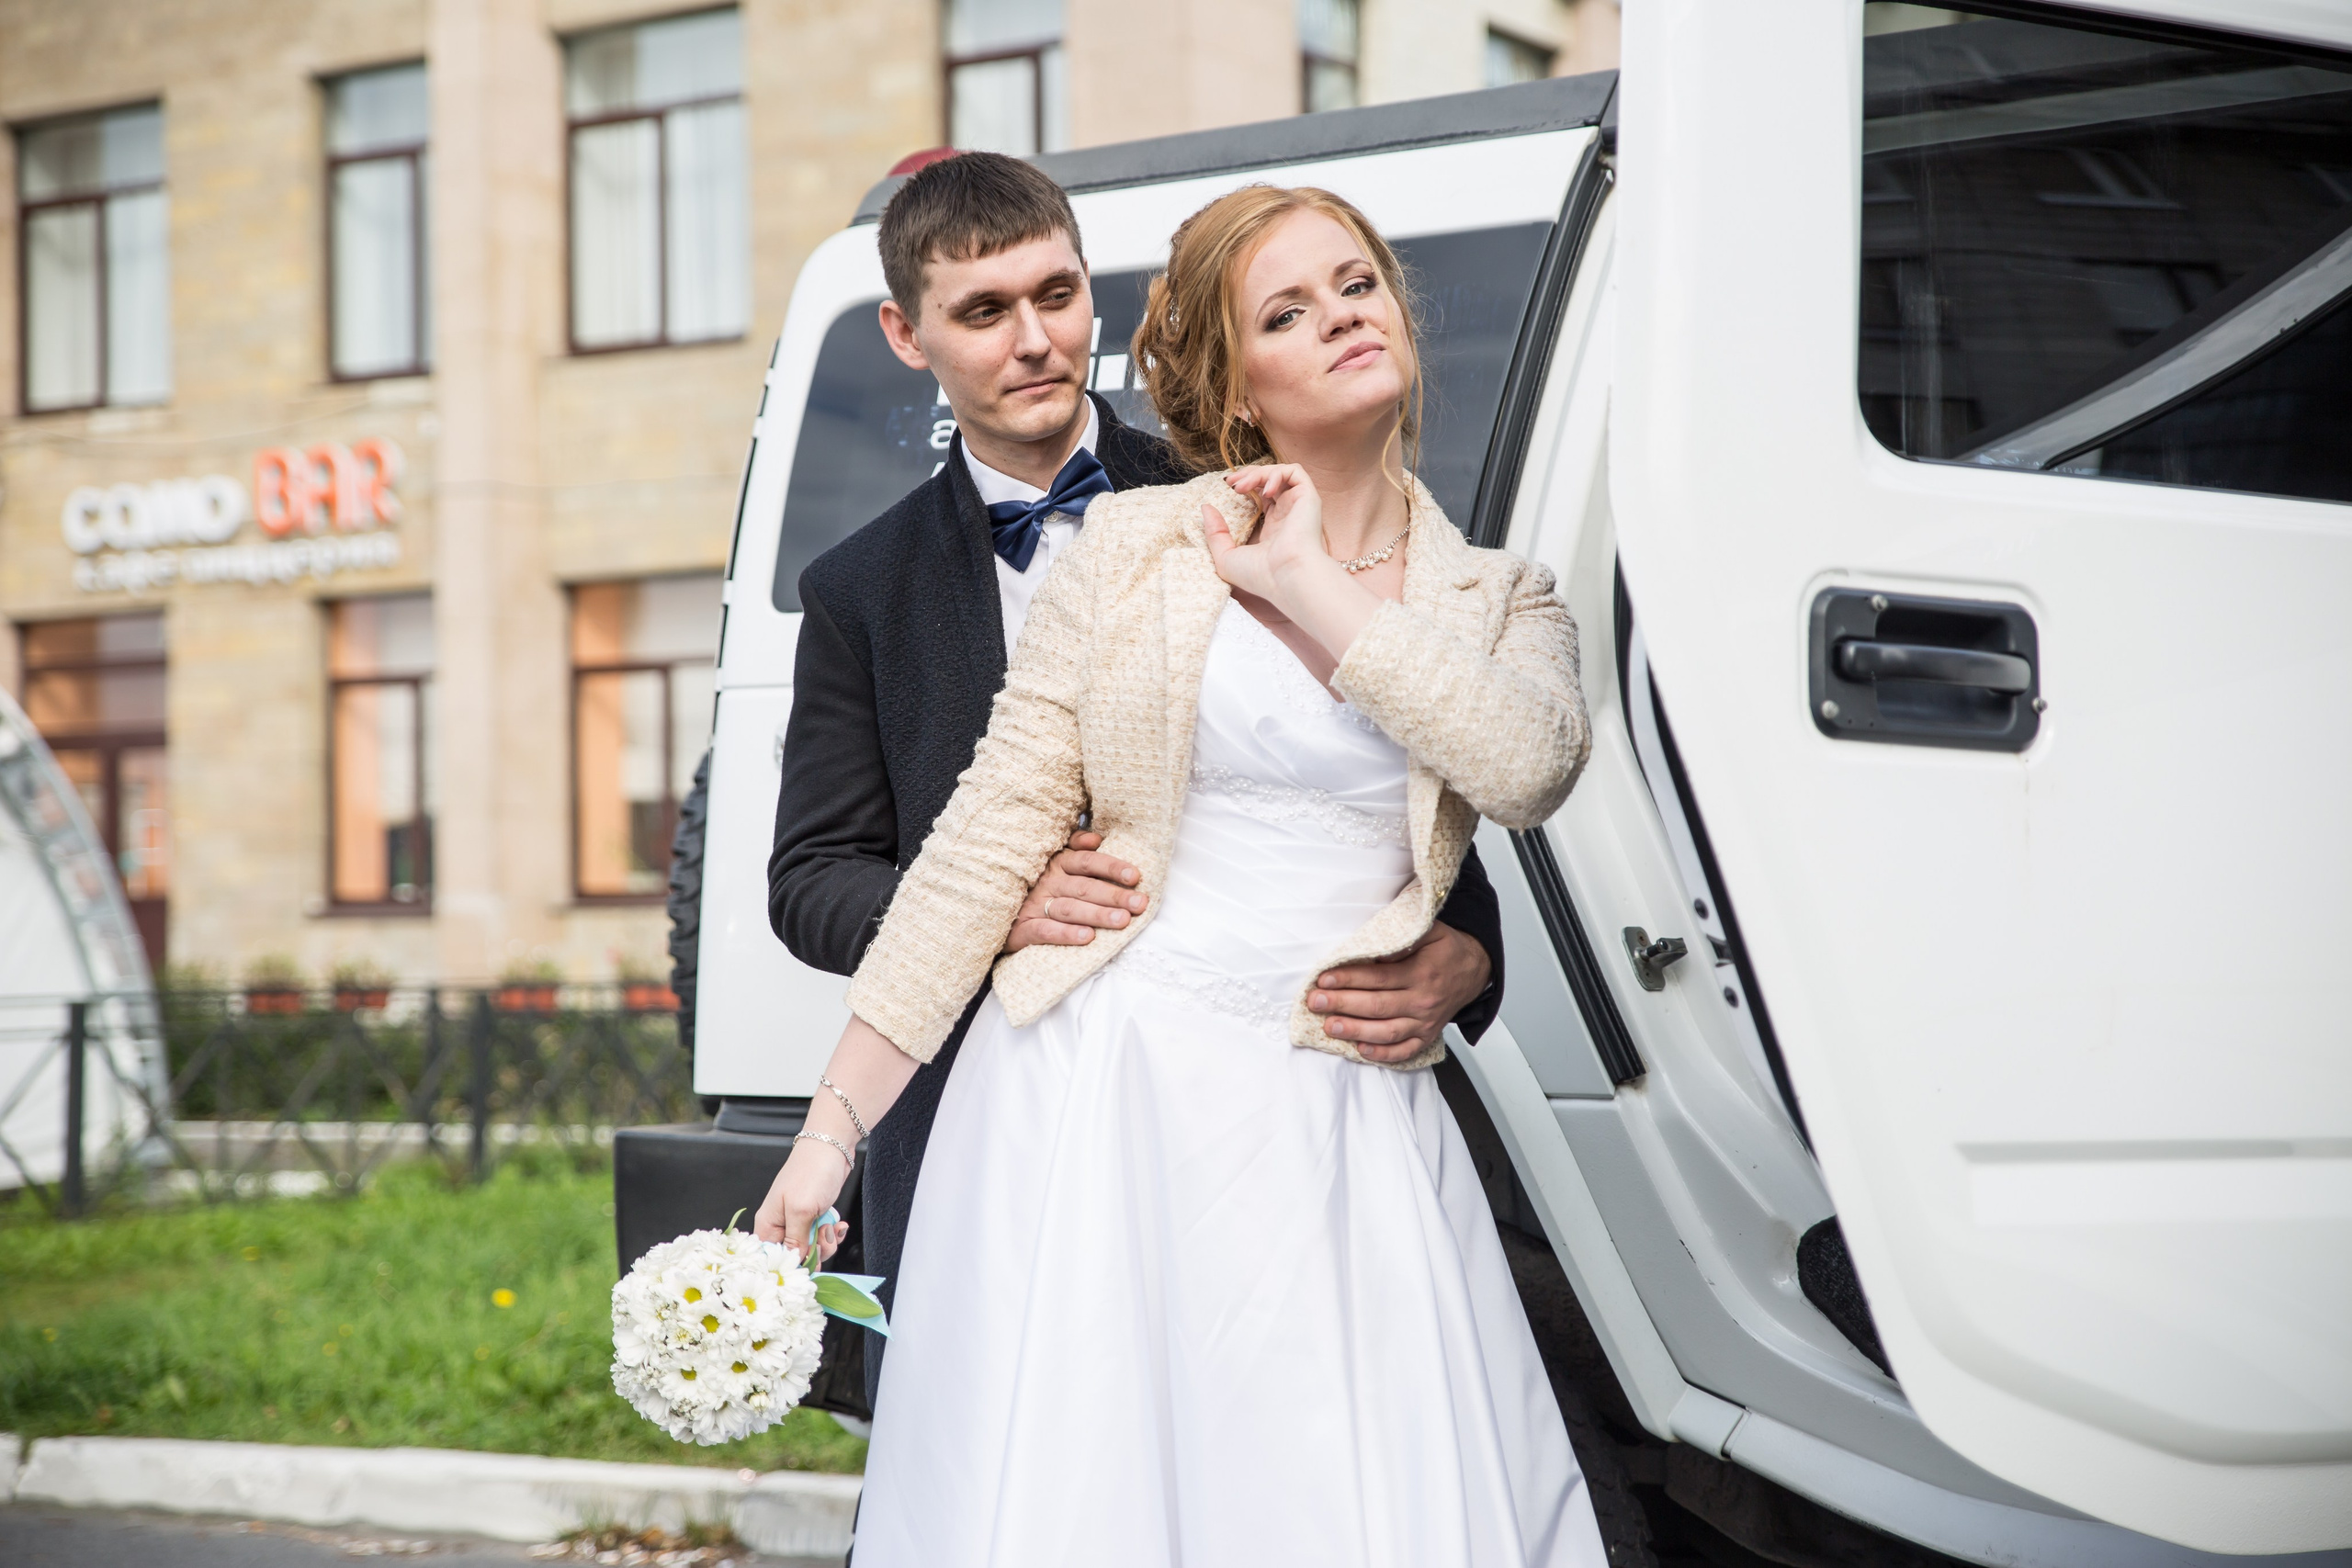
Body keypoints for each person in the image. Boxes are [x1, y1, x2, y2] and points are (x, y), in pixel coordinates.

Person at [759, 180, 1605, 1565]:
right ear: (1236, 376)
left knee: (1340, 1487)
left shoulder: (1504, 597)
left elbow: (1520, 770)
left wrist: (1309, 581)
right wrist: (827, 1131)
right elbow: (974, 844)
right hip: (1108, 1090)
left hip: (1340, 1103)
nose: (1340, 318)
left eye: (1357, 286)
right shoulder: (1138, 546)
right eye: (1288, 308)